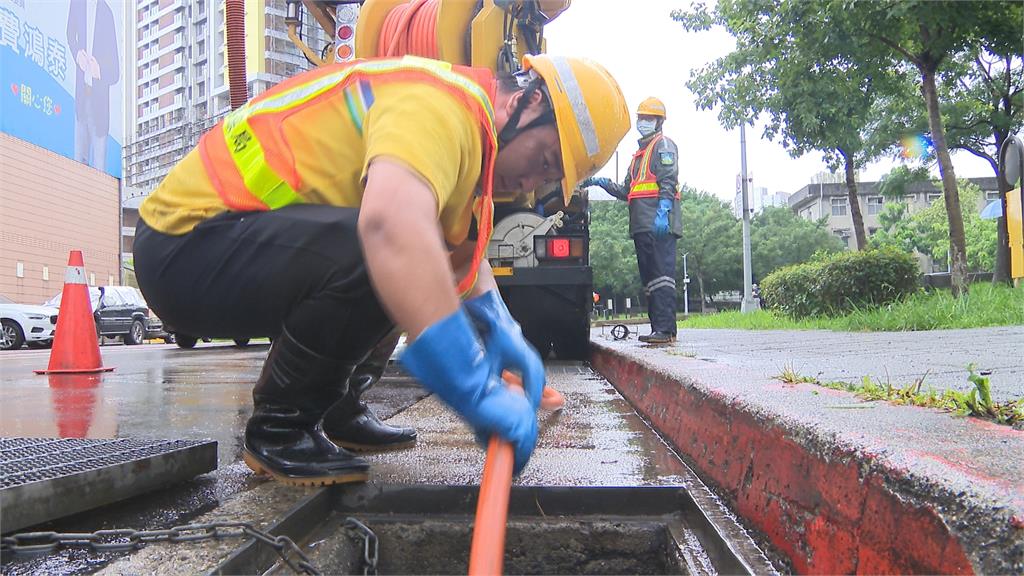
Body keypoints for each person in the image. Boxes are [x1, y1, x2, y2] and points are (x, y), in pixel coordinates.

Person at [134, 55, 629, 486]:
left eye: (546, 179)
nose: (528, 183)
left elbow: (454, 261)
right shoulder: (440, 106)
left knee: (410, 265)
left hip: (228, 245)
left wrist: (501, 325)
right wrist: (469, 379)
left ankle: (337, 406)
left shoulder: (469, 137)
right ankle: (282, 428)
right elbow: (392, 228)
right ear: (529, 103)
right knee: (387, 250)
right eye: (542, 161)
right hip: (185, 246)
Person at [584, 97, 681, 344]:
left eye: (648, 118)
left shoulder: (663, 145)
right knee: (650, 280)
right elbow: (627, 190)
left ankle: (666, 330)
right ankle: (658, 328)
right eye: (641, 118)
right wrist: (602, 183)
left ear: (659, 121)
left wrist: (664, 211)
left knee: (662, 278)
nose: (643, 122)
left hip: (658, 224)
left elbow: (668, 181)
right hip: (641, 225)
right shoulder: (638, 156)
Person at [67, 0, 119, 171]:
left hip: (100, 107)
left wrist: (100, 71)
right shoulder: (77, 4)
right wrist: (77, 54)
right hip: (82, 98)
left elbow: (115, 73)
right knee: (78, 163)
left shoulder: (107, 14)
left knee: (99, 169)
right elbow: (70, 34)